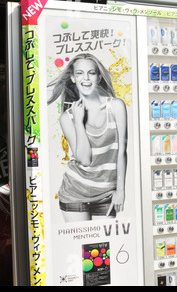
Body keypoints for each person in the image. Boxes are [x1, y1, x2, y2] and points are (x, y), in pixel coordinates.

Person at [48, 53, 127, 222]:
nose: (86, 78)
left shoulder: (116, 106)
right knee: (80, 248)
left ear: (99, 77)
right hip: (74, 194)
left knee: (106, 248)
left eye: (91, 73)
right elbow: (84, 159)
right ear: (73, 78)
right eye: (79, 73)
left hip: (106, 194)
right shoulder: (67, 117)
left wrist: (120, 190)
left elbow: (121, 152)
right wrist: (78, 121)